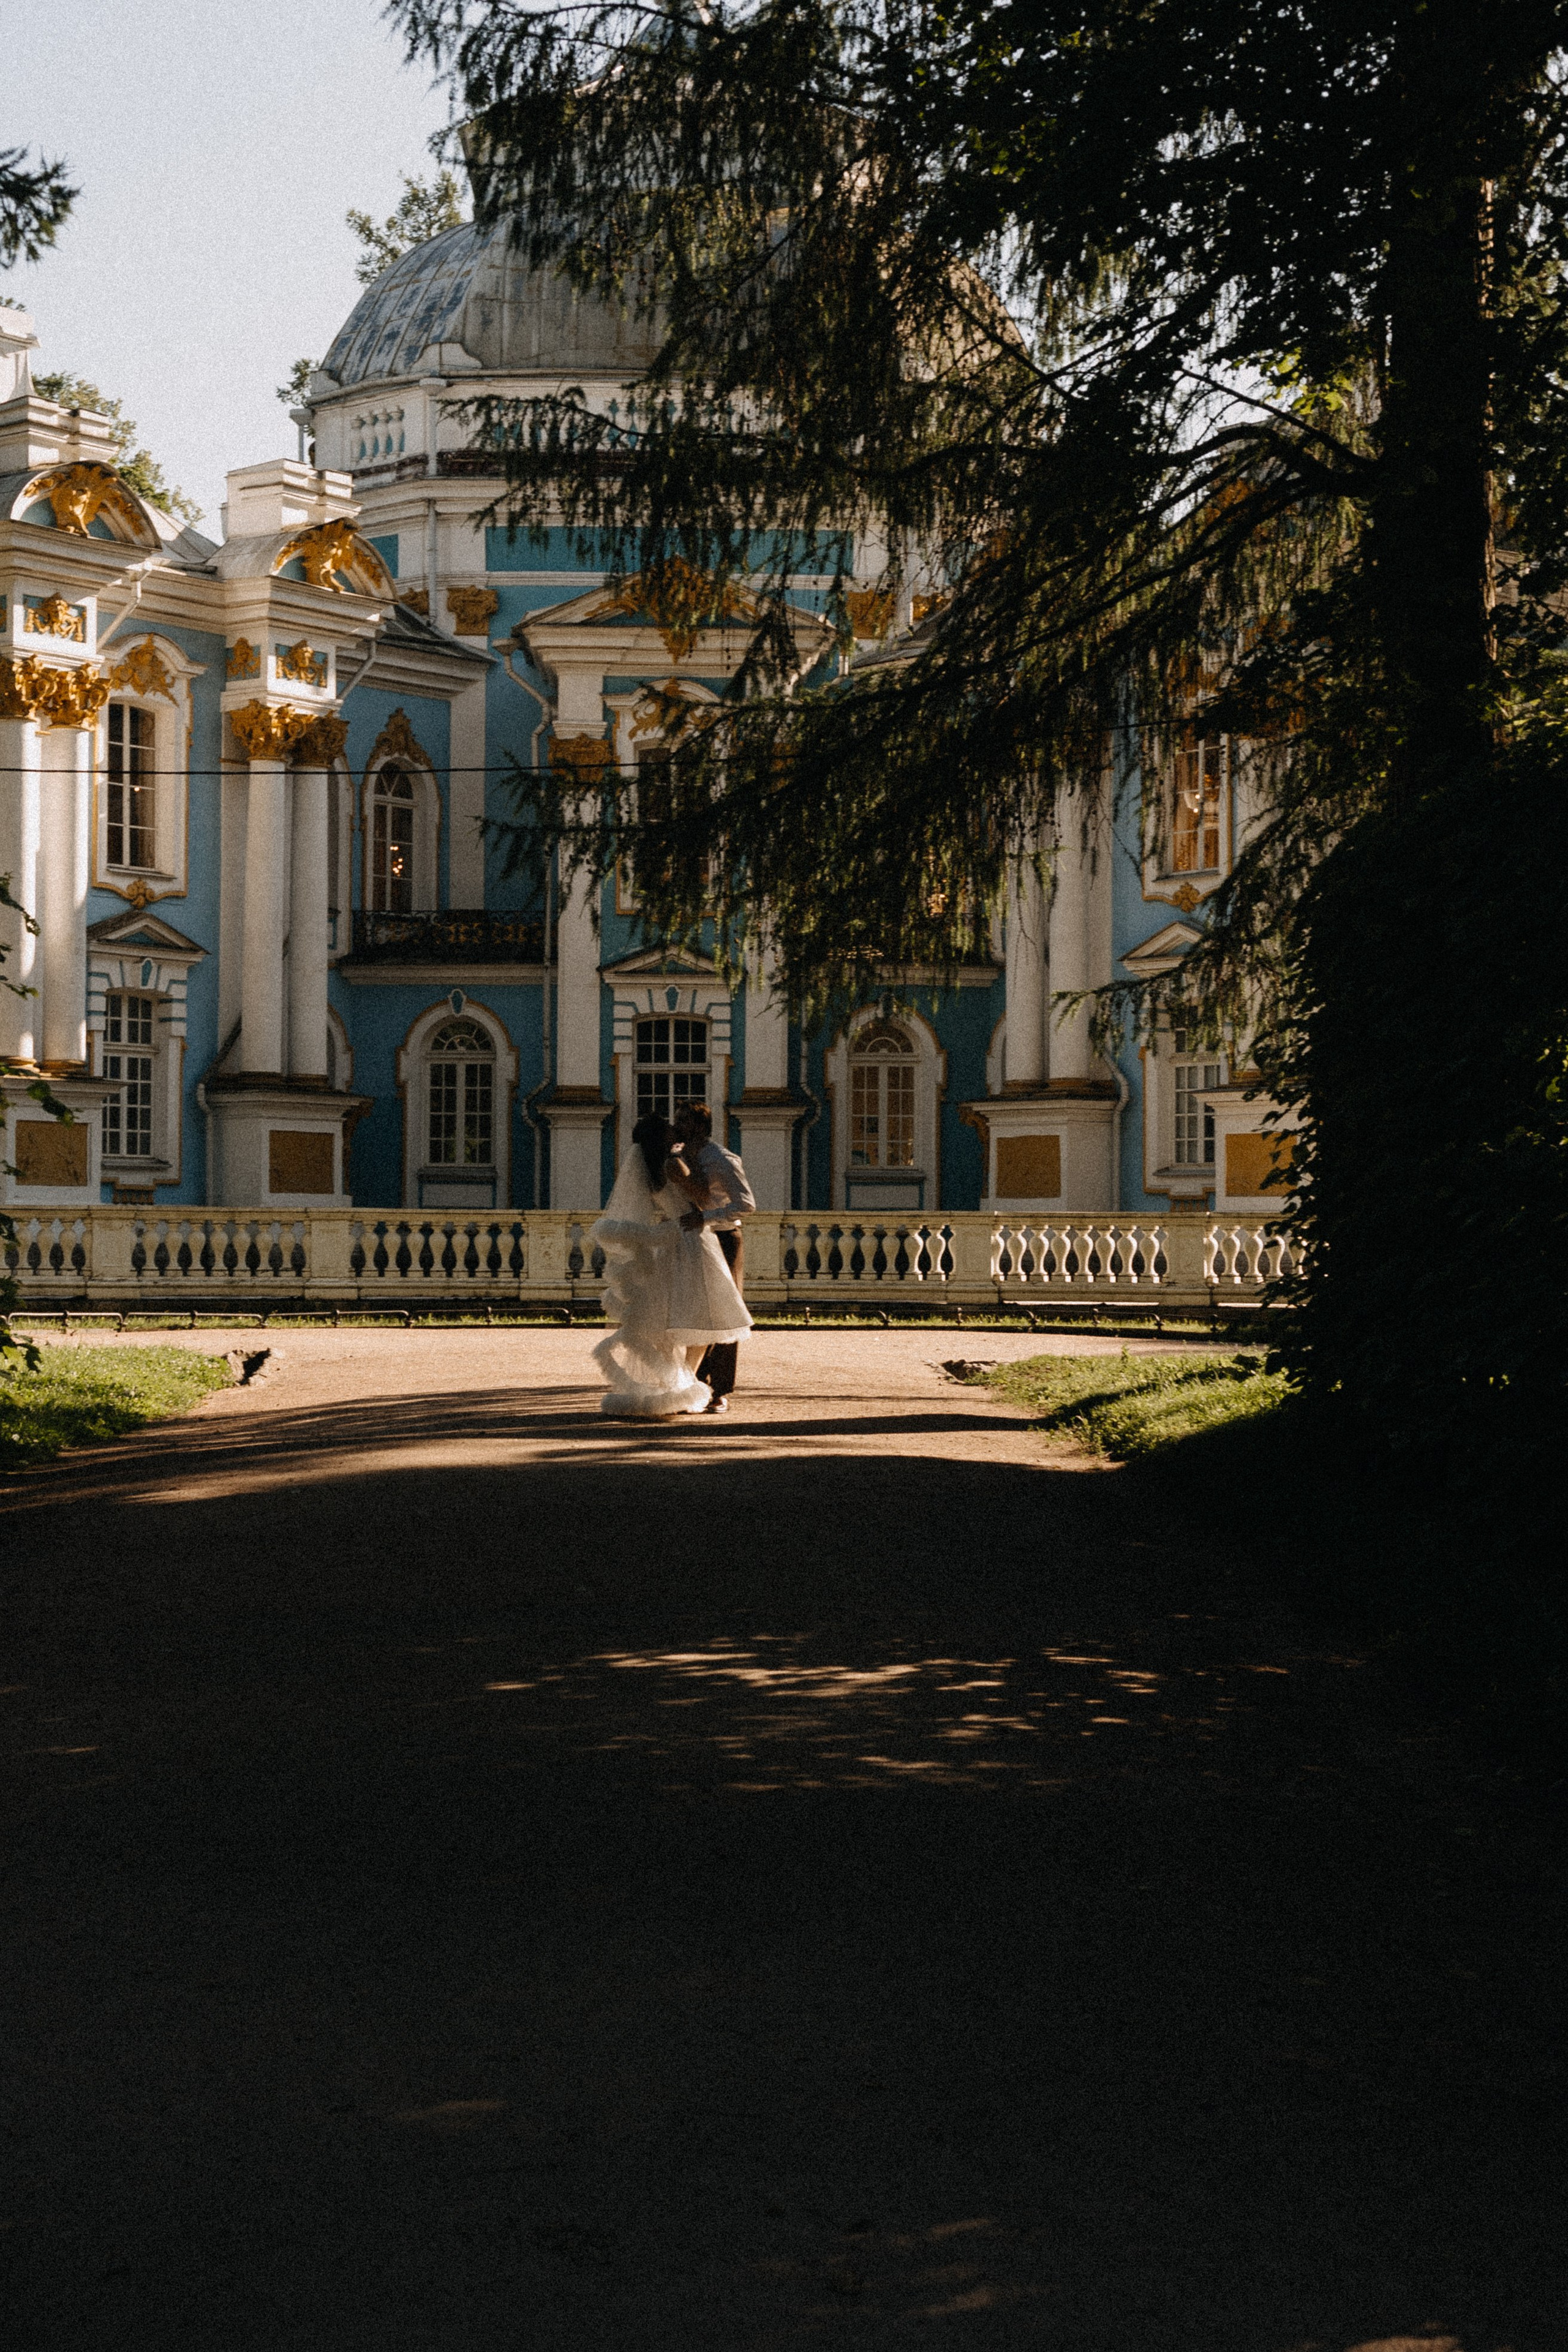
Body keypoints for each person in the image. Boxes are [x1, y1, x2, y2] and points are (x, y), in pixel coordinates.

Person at [589, 1112, 752, 1417]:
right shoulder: (674, 1164)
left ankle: (682, 1384)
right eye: (669, 1129)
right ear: (661, 1137)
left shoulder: (649, 1170)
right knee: (705, 1318)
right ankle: (685, 1384)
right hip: (694, 1240)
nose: (675, 1131)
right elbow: (704, 1200)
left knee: (675, 1318)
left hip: (673, 1241)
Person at [673, 1100, 756, 1415]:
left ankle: (720, 1390)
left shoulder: (721, 1158)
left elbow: (746, 1205)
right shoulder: (680, 1157)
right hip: (695, 1240)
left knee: (725, 1314)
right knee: (697, 1312)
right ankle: (696, 1383)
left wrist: (706, 1217)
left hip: (723, 1239)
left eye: (680, 1121)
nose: (675, 1126)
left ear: (696, 1126)